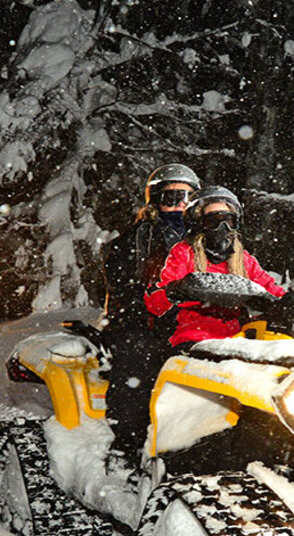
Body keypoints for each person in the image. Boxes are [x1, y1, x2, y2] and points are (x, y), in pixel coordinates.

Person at [100, 163, 200, 460]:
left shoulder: (206, 238)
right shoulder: (136, 239)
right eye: (171, 198)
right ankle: (128, 445)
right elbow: (122, 280)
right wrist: (154, 297)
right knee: (139, 357)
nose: (180, 205)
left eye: (187, 198)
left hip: (194, 320)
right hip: (142, 321)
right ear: (155, 201)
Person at [145, 186, 286, 347]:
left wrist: (290, 302)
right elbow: (155, 302)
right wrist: (177, 290)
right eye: (214, 221)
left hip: (239, 340)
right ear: (199, 223)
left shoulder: (243, 258)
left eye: (228, 220)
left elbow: (272, 289)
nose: (222, 228)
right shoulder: (184, 253)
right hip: (193, 337)